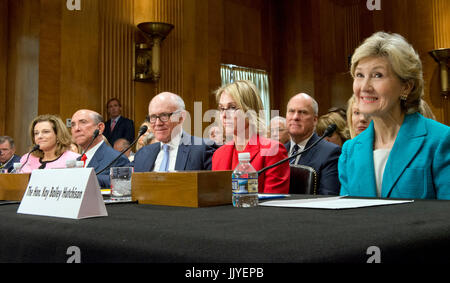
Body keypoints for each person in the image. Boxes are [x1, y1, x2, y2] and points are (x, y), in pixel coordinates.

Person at [339, 31, 450, 199]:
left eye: (377, 75)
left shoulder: (440, 140)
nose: (365, 87)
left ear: (406, 87)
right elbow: (344, 217)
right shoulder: (350, 150)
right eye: (360, 75)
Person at [212, 80, 290, 194]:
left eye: (232, 107)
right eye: (222, 108)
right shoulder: (218, 154)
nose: (224, 115)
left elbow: (273, 205)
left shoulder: (273, 151)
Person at [133, 92, 216, 172]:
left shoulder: (202, 150)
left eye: (164, 116)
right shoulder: (142, 154)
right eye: (153, 117)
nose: (158, 123)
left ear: (181, 118)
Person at [285, 93, 341, 195]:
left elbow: (327, 197)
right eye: (291, 111)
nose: (295, 117)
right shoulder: (279, 152)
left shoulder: (330, 153)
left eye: (302, 112)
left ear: (315, 120)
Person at [71, 109, 130, 188]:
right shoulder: (77, 161)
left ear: (100, 128)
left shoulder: (117, 159)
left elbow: (122, 189)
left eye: (83, 122)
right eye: (73, 125)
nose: (76, 128)